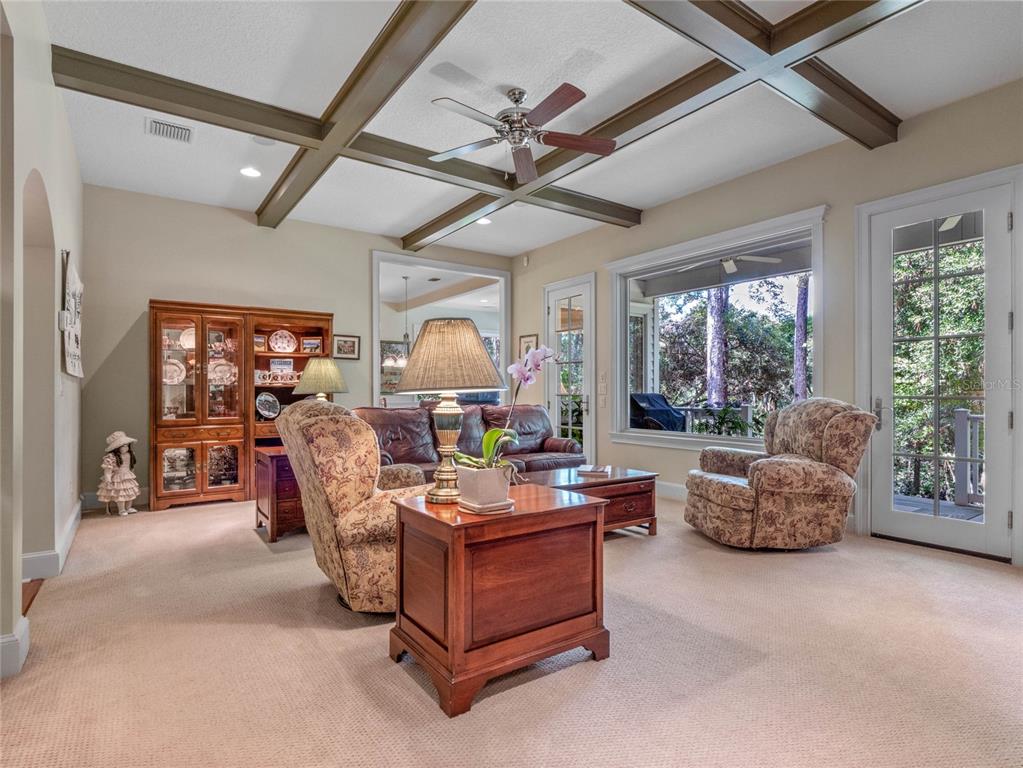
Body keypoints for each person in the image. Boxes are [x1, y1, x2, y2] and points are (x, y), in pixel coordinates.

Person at [97, 431, 140, 516]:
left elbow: (131, 467)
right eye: (123, 446)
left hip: (127, 476)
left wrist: (132, 475)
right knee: (120, 495)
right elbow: (108, 470)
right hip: (117, 478)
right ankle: (121, 509)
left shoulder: (129, 455)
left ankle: (128, 508)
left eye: (127, 445)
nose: (126, 448)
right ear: (117, 447)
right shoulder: (111, 457)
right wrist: (108, 480)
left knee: (130, 493)